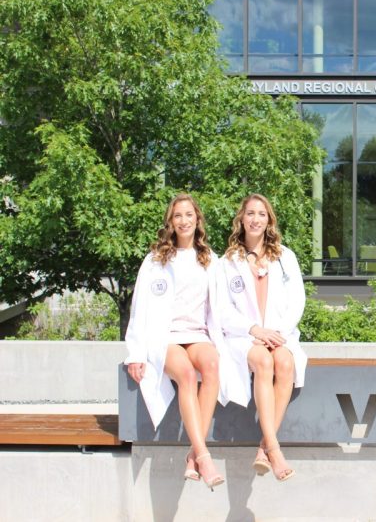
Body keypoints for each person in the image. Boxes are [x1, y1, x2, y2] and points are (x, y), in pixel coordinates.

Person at [124, 193, 225, 490]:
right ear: (171, 221)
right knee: (184, 374)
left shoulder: (209, 260)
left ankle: (193, 456)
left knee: (211, 367)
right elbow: (139, 307)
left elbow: (219, 308)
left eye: (189, 215)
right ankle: (203, 457)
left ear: (198, 220)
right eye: (178, 215)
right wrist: (136, 352)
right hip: (165, 337)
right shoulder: (155, 261)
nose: (184, 220)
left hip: (197, 335)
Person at [216, 193, 307, 482]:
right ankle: (274, 449)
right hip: (243, 337)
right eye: (251, 213)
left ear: (269, 221)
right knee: (264, 364)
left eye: (262, 214)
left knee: (285, 364)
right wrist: (254, 330)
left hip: (279, 334)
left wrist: (277, 333)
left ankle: (263, 448)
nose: (256, 219)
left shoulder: (285, 257)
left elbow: (298, 301)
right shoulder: (227, 262)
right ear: (241, 218)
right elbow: (221, 308)